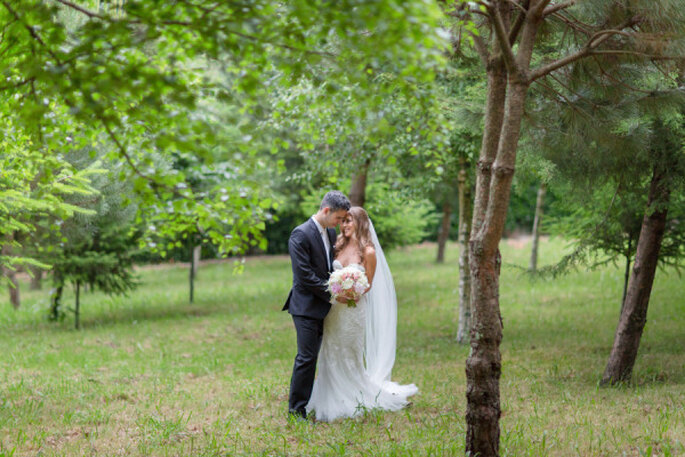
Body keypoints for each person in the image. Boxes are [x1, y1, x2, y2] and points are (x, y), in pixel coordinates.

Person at [306, 206, 418, 422]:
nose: (345, 225)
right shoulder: (337, 247)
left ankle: (354, 393)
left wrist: (351, 291)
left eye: (349, 221)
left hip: (353, 311)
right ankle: (328, 393)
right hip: (333, 309)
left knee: (349, 351)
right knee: (330, 350)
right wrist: (337, 290)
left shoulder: (368, 252)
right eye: (343, 221)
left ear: (361, 223)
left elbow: (368, 284)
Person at [283, 190, 351, 419]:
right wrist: (334, 293)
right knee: (307, 357)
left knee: (314, 356)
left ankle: (309, 401)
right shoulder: (300, 234)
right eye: (339, 218)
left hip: (322, 306)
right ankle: (296, 410)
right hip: (304, 307)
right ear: (325, 210)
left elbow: (327, 268)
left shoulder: (329, 233)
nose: (340, 223)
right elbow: (305, 276)